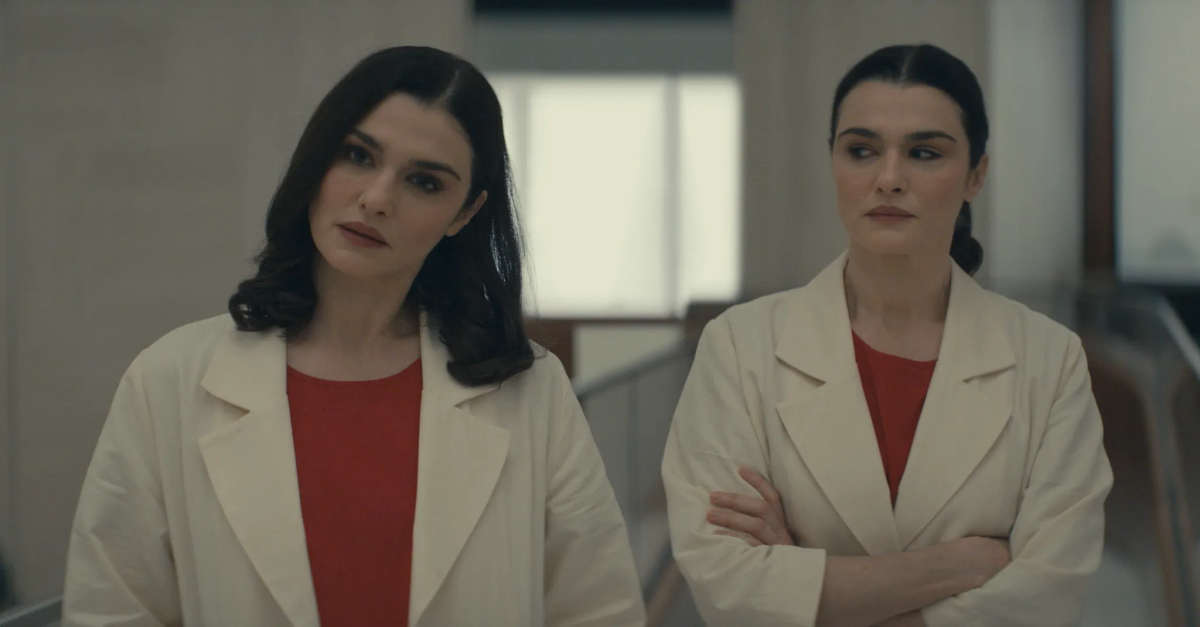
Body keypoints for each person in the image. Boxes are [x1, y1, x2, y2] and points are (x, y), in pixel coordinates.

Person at [63, 46, 646, 627]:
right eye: (358, 156)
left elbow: (598, 610)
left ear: (465, 214)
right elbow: (112, 609)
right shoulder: (168, 381)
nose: (376, 199)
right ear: (317, 159)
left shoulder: (528, 391)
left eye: (423, 182)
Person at [662, 44, 1112, 627]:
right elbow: (727, 585)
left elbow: (1049, 596)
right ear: (833, 163)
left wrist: (803, 576)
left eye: (924, 153)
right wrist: (961, 565)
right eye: (861, 150)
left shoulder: (1049, 360)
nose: (889, 178)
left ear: (977, 173)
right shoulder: (739, 347)